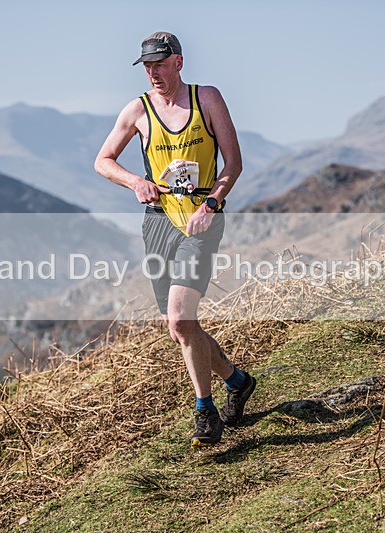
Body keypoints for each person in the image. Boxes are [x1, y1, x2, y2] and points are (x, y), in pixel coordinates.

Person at [95, 31, 256, 447]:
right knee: (179, 327)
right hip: (158, 222)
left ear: (178, 63)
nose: (153, 74)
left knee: (181, 318)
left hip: (201, 220)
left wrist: (213, 205)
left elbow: (233, 164)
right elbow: (102, 161)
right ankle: (236, 381)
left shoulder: (208, 99)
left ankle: (205, 411)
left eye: (160, 65)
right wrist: (135, 182)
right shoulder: (138, 110)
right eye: (147, 66)